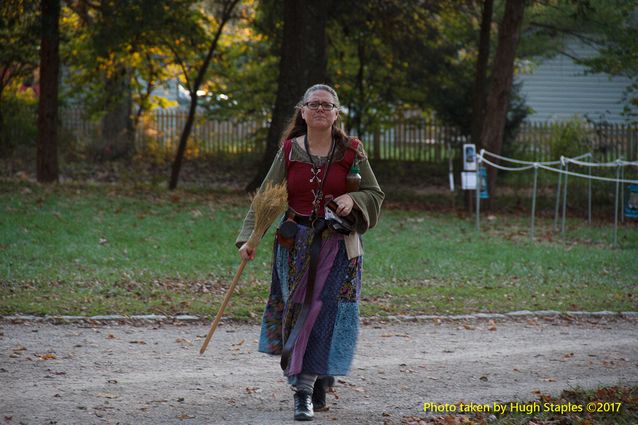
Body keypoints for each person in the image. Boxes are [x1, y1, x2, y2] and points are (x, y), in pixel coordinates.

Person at [236, 84, 384, 421]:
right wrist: (250, 239)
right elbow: (266, 198)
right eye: (313, 104)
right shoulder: (289, 151)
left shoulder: (352, 152)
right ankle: (316, 378)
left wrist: (354, 199)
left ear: (336, 113)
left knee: (322, 312)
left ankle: (303, 390)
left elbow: (375, 194)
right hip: (294, 246)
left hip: (339, 247)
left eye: (326, 105)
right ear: (302, 111)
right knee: (298, 312)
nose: (319, 109)